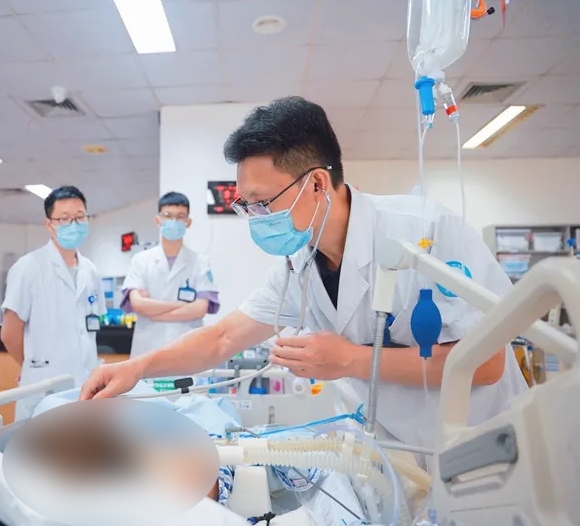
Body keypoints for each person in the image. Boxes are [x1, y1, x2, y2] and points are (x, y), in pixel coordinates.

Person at [79, 96, 527, 450]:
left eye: (262, 202)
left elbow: (487, 362)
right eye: (246, 205)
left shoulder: (426, 231)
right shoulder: (300, 265)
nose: (256, 217)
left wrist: (351, 360)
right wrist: (137, 368)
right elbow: (223, 338)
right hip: (397, 450)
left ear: (316, 183)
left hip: (483, 444)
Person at [1, 185, 106, 421]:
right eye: (64, 219)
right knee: (42, 442)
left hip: (86, 387)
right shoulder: (28, 267)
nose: (74, 224)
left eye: (80, 217)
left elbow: (89, 330)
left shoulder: (90, 270)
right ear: (49, 224)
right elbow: (9, 334)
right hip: (44, 389)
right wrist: (33, 367)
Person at [121, 192, 220, 358]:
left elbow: (200, 309)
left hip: (186, 349)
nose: (174, 221)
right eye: (167, 215)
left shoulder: (200, 262)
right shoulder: (140, 260)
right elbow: (137, 304)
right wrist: (183, 306)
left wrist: (152, 310)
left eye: (180, 216)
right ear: (158, 220)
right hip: (148, 348)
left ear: (188, 222)